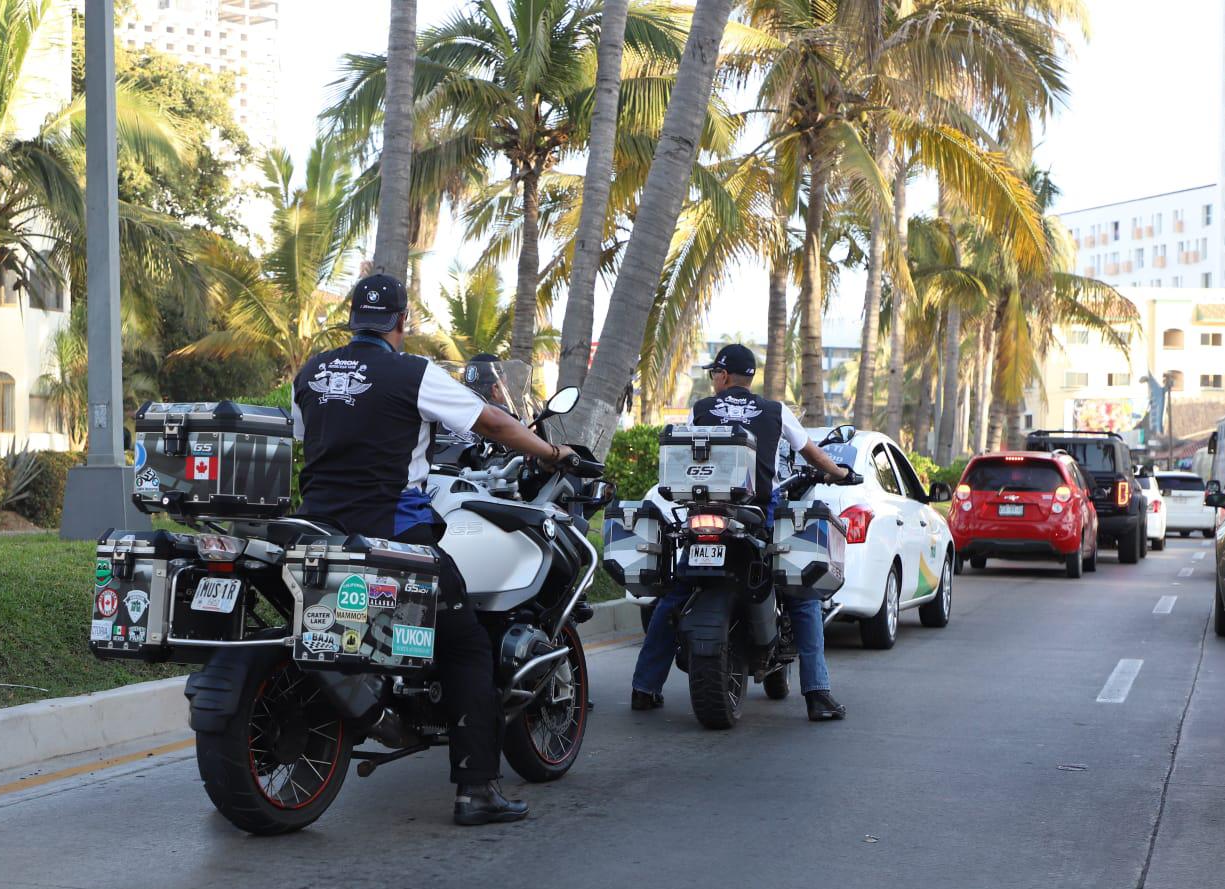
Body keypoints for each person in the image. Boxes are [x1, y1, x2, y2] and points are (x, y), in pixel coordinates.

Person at [292, 273, 575, 826]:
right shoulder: (413, 372)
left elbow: (308, 434)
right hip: (389, 530)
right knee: (466, 643)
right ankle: (477, 790)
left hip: (316, 528)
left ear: (354, 318)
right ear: (401, 322)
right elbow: (492, 421)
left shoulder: (313, 371)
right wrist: (548, 452)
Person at [629, 343, 855, 722]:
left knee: (673, 598)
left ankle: (643, 688)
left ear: (722, 374)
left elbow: (684, 454)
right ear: (749, 377)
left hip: (703, 514)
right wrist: (841, 473)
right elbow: (812, 454)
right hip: (754, 516)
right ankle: (817, 694)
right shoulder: (775, 411)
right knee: (802, 597)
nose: (712, 380)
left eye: (713, 374)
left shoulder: (700, 409)